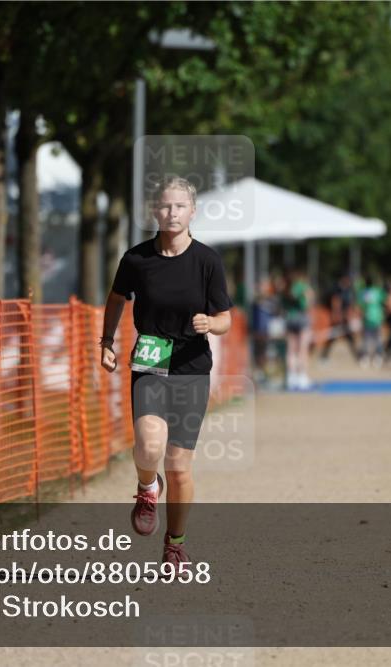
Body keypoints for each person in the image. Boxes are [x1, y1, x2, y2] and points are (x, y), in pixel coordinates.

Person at [100, 176, 233, 568]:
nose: (172, 213)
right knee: (148, 445)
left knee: (177, 465)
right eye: (165, 206)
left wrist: (212, 324)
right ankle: (145, 487)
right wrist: (106, 341)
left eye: (179, 206)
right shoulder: (136, 259)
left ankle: (175, 544)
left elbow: (226, 317)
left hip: (192, 366)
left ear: (192, 211)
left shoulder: (207, 261)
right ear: (154, 212)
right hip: (151, 359)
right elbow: (115, 298)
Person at [283, 269, 314, 390]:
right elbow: (307, 303)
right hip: (302, 319)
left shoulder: (286, 288)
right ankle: (302, 377)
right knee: (303, 349)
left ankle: (291, 377)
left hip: (290, 319)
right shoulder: (302, 286)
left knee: (291, 350)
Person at [359, 275, 386, 368]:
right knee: (378, 339)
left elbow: (361, 307)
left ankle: (365, 358)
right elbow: (384, 301)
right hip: (377, 318)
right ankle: (378, 358)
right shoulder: (378, 291)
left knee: (366, 339)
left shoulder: (363, 292)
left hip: (367, 319)